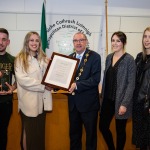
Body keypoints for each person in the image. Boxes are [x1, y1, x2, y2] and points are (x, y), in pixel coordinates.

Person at [14, 31, 52, 150]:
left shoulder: (44, 58)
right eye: (31, 40)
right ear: (26, 42)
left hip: (42, 103)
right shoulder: (20, 59)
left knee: (39, 135)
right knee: (29, 134)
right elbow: (23, 80)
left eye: (37, 40)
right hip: (28, 104)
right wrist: (43, 86)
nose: (34, 43)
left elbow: (50, 77)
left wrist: (52, 66)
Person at [99, 31, 136, 150]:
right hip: (107, 100)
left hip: (121, 101)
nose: (114, 43)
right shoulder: (109, 57)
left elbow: (131, 84)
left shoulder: (129, 59)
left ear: (123, 43)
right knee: (102, 127)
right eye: (113, 40)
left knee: (120, 131)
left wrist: (124, 104)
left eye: (118, 41)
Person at [68, 32, 101, 150]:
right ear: (73, 43)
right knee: (74, 136)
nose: (78, 43)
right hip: (73, 105)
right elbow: (65, 80)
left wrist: (77, 85)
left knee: (90, 137)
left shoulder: (94, 57)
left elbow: (95, 79)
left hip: (89, 105)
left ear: (86, 41)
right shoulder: (69, 57)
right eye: (75, 40)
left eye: (81, 40)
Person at [132, 27, 150, 150]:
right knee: (141, 140)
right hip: (138, 104)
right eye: (145, 36)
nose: (147, 40)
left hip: (148, 105)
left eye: (149, 37)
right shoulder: (139, 57)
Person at [0, 28, 17, 150]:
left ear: (8, 42)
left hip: (5, 102)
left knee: (2, 133)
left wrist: (13, 88)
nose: (0, 42)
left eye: (3, 39)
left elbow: (19, 79)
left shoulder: (13, 60)